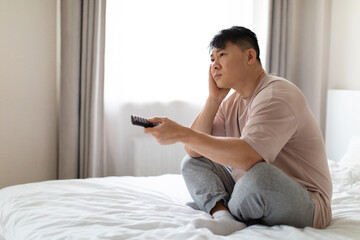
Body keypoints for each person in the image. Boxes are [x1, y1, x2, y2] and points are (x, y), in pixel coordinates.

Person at [144, 26, 332, 235]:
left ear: (250, 56)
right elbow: (193, 150)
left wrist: (182, 132)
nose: (215, 65)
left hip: (305, 201)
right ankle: (224, 216)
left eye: (222, 55)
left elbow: (247, 157)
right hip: (249, 187)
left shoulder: (276, 94)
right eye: (212, 59)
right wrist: (213, 99)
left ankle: (225, 208)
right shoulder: (231, 101)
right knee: (193, 162)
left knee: (260, 175)